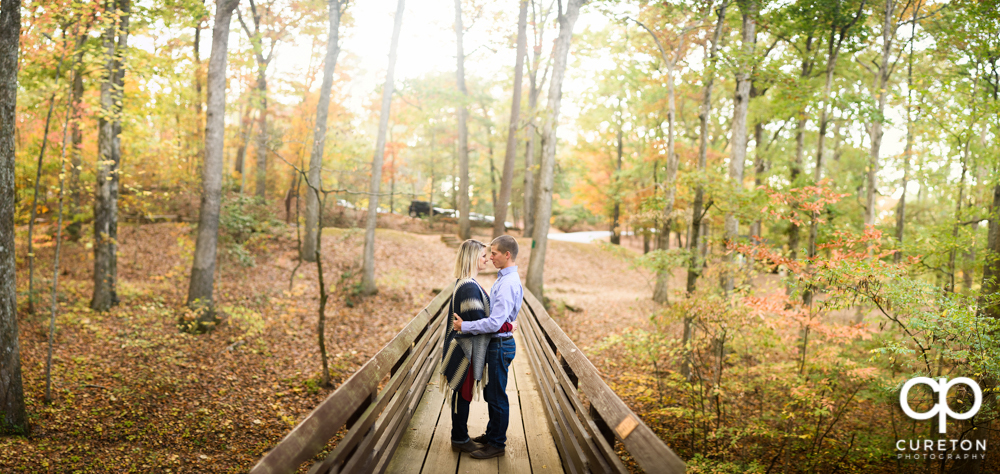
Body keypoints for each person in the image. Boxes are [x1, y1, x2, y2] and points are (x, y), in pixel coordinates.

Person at [440, 239, 516, 454]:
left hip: (465, 349)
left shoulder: (466, 282)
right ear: (473, 258)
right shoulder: (468, 287)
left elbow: (477, 321)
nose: (487, 259)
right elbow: (480, 324)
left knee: (462, 394)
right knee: (463, 395)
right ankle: (460, 439)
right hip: (465, 351)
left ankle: (460, 436)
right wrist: (508, 325)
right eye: (484, 255)